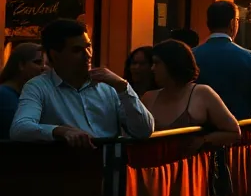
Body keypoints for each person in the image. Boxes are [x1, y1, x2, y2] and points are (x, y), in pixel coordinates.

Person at [10, 19, 154, 144]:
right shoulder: (38, 86)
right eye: (77, 50)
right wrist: (60, 131)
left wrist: (123, 87)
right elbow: (20, 128)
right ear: (55, 55)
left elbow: (144, 131)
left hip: (109, 165)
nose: (88, 55)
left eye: (88, 46)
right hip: (73, 166)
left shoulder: (109, 85)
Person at [142, 40, 241, 150]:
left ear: (172, 64)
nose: (152, 68)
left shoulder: (202, 93)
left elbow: (234, 132)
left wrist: (203, 141)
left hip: (190, 160)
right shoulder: (148, 98)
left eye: (157, 63)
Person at [193, 0, 251, 121]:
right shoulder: (250, 58)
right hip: (238, 127)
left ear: (208, 23)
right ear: (232, 23)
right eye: (238, 20)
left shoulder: (192, 55)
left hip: (198, 128)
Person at [0, 43, 45, 137]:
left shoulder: (28, 94)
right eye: (37, 62)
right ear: (21, 65)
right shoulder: (4, 95)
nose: (43, 68)